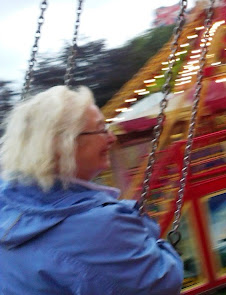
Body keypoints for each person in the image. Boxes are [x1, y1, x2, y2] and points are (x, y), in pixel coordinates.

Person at [0, 86, 184, 295]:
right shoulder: (101, 226)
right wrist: (149, 234)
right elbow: (163, 282)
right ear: (64, 144)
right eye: (101, 129)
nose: (112, 138)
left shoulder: (8, 209)